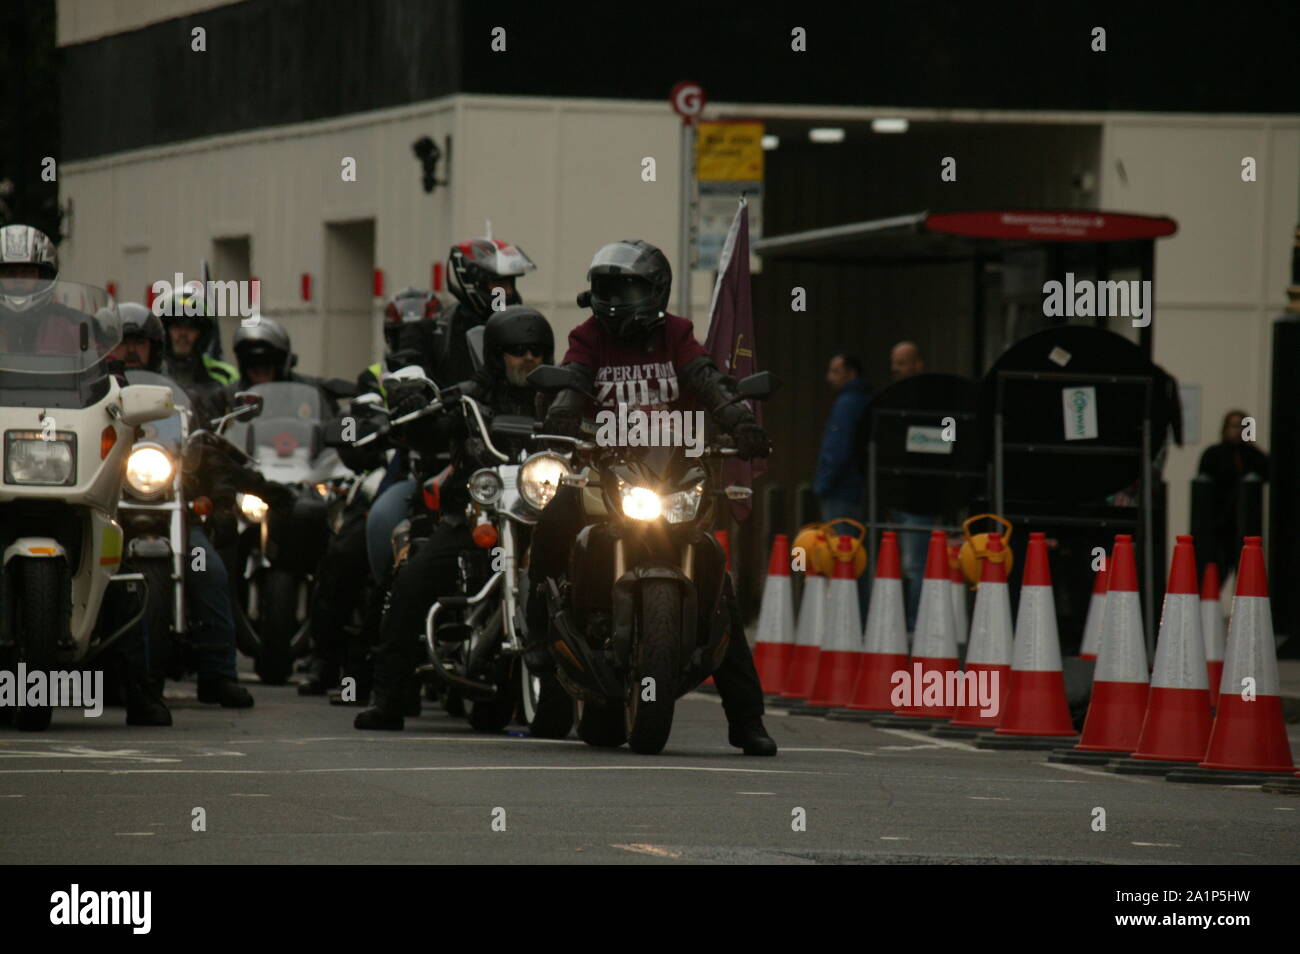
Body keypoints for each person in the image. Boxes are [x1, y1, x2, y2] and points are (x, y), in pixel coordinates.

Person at [525, 238, 777, 756]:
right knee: (552, 523)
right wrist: (561, 415)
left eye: (628, 287)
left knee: (714, 575)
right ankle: (536, 640)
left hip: (672, 474)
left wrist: (738, 421)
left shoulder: (677, 334)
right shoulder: (589, 335)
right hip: (605, 469)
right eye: (607, 287)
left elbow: (707, 380)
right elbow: (573, 379)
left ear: (655, 290)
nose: (616, 298)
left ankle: (747, 720)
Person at [354, 305, 554, 730]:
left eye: (537, 350)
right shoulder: (469, 397)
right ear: (498, 354)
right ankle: (390, 697)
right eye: (517, 350)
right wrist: (413, 408)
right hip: (474, 515)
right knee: (412, 578)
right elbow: (427, 430)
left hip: (543, 519)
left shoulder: (558, 399)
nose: (528, 358)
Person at [105, 302, 255, 715]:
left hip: (168, 506)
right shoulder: (93, 391)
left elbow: (201, 446)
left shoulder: (175, 396)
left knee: (206, 566)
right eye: (124, 342)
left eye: (139, 343)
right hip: (108, 509)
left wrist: (209, 490)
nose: (131, 351)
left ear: (155, 349)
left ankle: (218, 672)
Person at [813, 352, 872, 615]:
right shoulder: (863, 400)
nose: (829, 377)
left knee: (843, 553)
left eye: (835, 371)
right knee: (855, 552)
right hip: (854, 489)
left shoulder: (847, 403)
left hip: (841, 491)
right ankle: (856, 613)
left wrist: (823, 484)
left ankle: (848, 616)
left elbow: (838, 449)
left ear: (851, 373)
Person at [885, 339, 937, 631]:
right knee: (910, 564)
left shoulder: (928, 400)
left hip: (919, 495)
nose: (895, 369)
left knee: (916, 565)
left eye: (902, 362)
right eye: (894, 363)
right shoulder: (895, 399)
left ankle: (917, 626)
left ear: (919, 363)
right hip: (903, 495)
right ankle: (910, 625)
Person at [1197, 409, 1269, 578]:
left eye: (1242, 427)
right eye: (1234, 426)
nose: (1237, 431)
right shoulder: (1213, 454)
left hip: (1245, 524)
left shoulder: (1254, 456)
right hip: (1218, 524)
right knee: (1213, 573)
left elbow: (1267, 472)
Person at [156, 283, 238, 422]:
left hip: (208, 442)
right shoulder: (153, 372)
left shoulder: (224, 374)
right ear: (166, 331)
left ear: (202, 334)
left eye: (190, 327)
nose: (183, 334)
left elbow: (237, 424)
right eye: (177, 326)